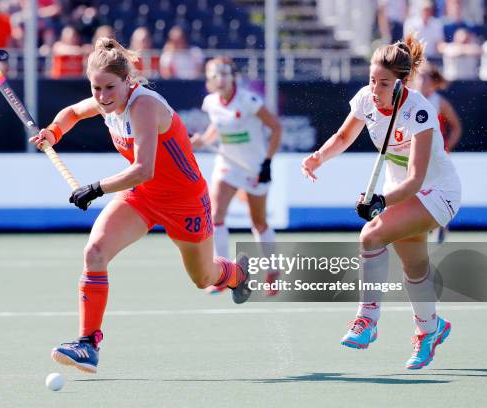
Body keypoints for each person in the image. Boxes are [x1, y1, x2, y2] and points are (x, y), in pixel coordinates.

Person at [28, 37, 251, 374]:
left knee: (203, 277)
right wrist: (54, 132)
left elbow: (143, 168)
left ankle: (236, 273)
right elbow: (73, 112)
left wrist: (96, 188)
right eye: (96, 88)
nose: (102, 97)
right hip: (142, 197)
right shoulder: (105, 103)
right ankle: (88, 343)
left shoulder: (144, 105)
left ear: (127, 81)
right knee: (95, 252)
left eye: (109, 88)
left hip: (184, 202)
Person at [301, 35, 461, 369]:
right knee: (414, 267)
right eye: (372, 80)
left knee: (371, 235)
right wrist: (318, 158)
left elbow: (417, 178)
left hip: (436, 192)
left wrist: (380, 202)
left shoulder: (419, 112)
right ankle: (430, 331)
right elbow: (344, 136)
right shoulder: (366, 100)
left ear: (402, 83)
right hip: (398, 190)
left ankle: (367, 320)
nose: (375, 89)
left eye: (384, 83)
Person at [191, 56, 282, 294]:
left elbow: (276, 127)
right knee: (215, 215)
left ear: (233, 77)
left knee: (258, 222)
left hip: (254, 167)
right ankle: (223, 274)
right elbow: (215, 129)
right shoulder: (210, 103)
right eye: (214, 75)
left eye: (224, 74)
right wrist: (202, 140)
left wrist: (267, 162)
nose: (220, 79)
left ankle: (273, 271)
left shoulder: (248, 101)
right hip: (228, 166)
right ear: (209, 81)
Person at [413, 61, 462, 244]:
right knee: (416, 187)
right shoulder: (411, 100)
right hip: (416, 154)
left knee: (438, 189)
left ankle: (441, 227)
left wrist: (447, 147)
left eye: (425, 78)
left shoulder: (439, 102)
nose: (421, 81)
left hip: (437, 156)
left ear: (433, 82)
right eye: (419, 77)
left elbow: (456, 127)